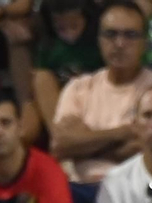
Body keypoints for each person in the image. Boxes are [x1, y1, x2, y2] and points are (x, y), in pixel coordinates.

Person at [50, 0, 152, 203]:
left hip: (133, 188)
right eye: (111, 34)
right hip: (78, 190)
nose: (119, 43)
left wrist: (84, 144)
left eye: (130, 35)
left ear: (144, 43)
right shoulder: (78, 87)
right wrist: (122, 132)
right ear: (99, 40)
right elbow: (61, 145)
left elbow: (147, 148)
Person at [32, 0, 103, 138]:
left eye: (74, 26)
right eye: (61, 29)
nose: (70, 34)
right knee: (40, 78)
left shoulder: (97, 44)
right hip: (61, 103)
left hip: (93, 101)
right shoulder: (49, 48)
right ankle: (61, 137)